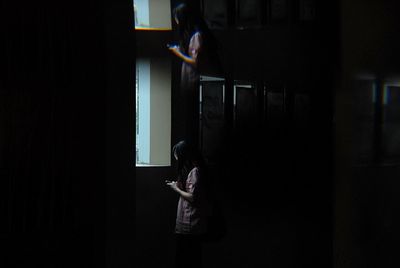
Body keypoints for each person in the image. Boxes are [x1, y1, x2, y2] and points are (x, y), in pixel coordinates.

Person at [167, 3, 222, 147]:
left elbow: (195, 62)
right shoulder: (189, 36)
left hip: (194, 82)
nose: (176, 22)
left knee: (193, 118)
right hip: (190, 82)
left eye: (177, 18)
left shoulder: (196, 36)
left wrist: (178, 53)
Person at [165, 140, 211, 268]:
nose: (177, 161)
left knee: (186, 259)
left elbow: (193, 197)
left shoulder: (195, 171)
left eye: (178, 157)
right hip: (192, 225)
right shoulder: (196, 170)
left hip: (190, 225)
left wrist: (177, 189)